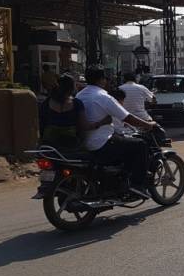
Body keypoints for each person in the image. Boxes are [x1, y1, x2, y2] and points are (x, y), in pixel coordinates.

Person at [76, 66, 157, 199]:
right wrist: (148, 124)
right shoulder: (103, 96)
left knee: (124, 143)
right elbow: (127, 117)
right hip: (102, 143)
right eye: (105, 78)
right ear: (101, 80)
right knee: (140, 145)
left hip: (84, 143)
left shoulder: (79, 95)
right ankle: (137, 186)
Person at [38, 74, 111, 149]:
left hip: (48, 146)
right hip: (70, 146)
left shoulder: (46, 103)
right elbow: (85, 126)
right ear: (72, 88)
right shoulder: (76, 103)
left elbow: (40, 125)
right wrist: (103, 122)